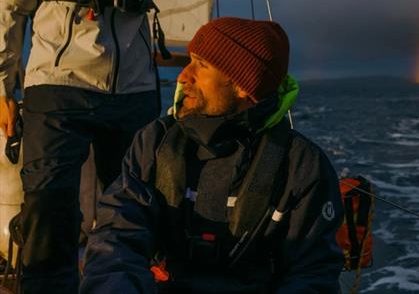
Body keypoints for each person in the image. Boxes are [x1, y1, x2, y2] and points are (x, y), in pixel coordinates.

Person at [0, 0, 260, 292]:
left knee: (135, 210)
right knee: (50, 211)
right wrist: (3, 89)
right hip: (61, 89)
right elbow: (7, 7)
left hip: (133, 94)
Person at [80, 17, 343, 293]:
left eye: (201, 66)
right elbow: (118, 234)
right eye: (190, 61)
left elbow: (312, 273)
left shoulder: (301, 166)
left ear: (243, 86)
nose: (183, 76)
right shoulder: (156, 142)